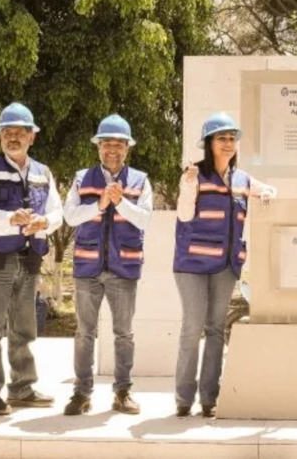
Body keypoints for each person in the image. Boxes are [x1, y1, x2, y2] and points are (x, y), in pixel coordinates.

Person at [173, 112, 275, 419]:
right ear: (209, 143)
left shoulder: (241, 178)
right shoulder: (193, 175)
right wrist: (189, 186)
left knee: (216, 329)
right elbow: (184, 215)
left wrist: (267, 194)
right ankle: (183, 398)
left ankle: (209, 398)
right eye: (222, 138)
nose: (228, 144)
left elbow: (268, 189)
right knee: (192, 328)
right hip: (191, 264)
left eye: (232, 139)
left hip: (225, 265)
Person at [0, 103, 63, 415]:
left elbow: (57, 212)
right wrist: (11, 219)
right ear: (0, 137)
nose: (13, 137)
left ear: (32, 137)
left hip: (29, 259)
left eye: (20, 132)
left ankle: (22, 389)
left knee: (24, 328)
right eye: (7, 132)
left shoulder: (43, 172)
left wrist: (44, 223)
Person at [64, 115, 154, 417]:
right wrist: (100, 205)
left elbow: (145, 219)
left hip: (123, 269)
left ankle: (123, 392)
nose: (112, 150)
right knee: (84, 333)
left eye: (118, 144)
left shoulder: (140, 180)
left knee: (123, 334)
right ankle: (81, 393)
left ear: (127, 148)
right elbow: (70, 216)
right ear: (98, 148)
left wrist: (121, 203)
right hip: (87, 268)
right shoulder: (81, 178)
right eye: (106, 144)